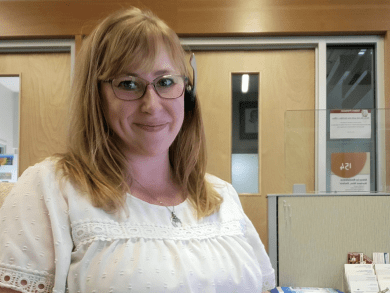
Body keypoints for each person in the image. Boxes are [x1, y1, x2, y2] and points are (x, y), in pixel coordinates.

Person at [0, 7, 275, 293]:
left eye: (165, 82)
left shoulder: (222, 197)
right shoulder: (50, 189)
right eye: (128, 84)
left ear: (188, 93)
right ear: (96, 97)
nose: (151, 105)